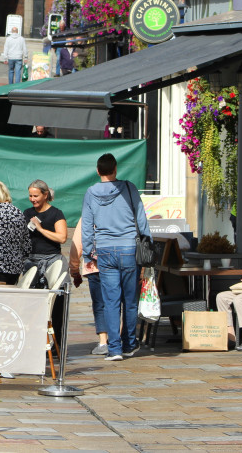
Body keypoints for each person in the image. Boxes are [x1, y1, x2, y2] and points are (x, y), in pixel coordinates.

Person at [80, 152, 151, 361]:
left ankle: (114, 349)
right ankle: (129, 344)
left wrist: (87, 253)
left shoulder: (91, 192)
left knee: (110, 301)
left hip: (104, 250)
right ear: (115, 169)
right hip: (129, 249)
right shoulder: (129, 188)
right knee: (130, 300)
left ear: (97, 171)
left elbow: (86, 226)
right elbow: (142, 220)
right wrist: (148, 247)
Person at [24, 179, 69, 350]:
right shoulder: (27, 212)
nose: (33, 199)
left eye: (36, 196)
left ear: (45, 195)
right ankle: (33, 344)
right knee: (31, 304)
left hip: (52, 260)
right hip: (32, 261)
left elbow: (62, 237)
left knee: (57, 303)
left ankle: (57, 346)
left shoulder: (56, 214)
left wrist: (41, 229)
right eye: (30, 196)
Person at [69, 220, 109, 355]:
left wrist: (74, 270)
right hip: (115, 264)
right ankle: (117, 339)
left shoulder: (87, 216)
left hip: (93, 266)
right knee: (117, 303)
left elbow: (77, 243)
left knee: (99, 305)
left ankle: (103, 341)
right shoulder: (118, 211)